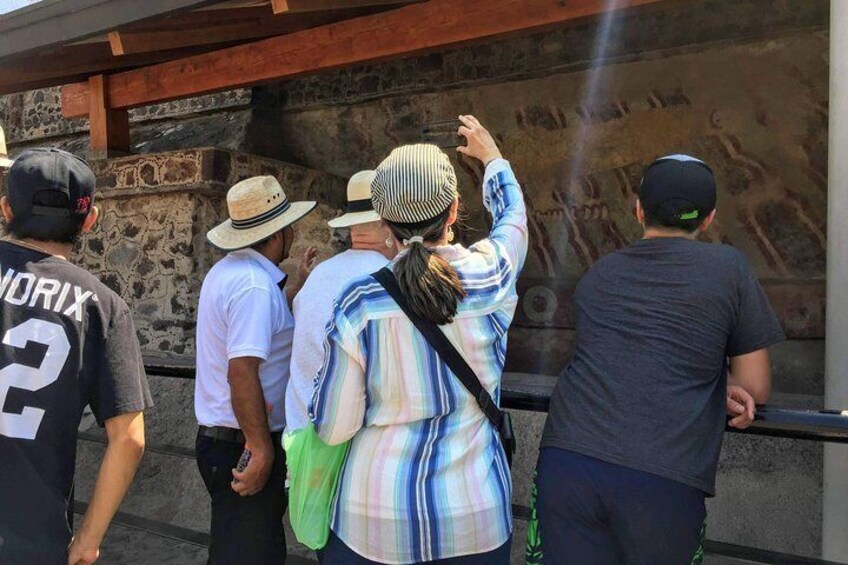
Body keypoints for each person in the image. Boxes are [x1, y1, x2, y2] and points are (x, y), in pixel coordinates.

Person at [532, 155, 785, 564]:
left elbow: (617, 357)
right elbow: (754, 388)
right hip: (661, 474)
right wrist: (716, 383)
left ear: (638, 210)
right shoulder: (729, 268)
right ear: (709, 219)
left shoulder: (600, 273)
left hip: (567, 461)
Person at [311, 115, 528, 564]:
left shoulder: (358, 303)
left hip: (373, 523)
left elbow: (333, 427)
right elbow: (513, 222)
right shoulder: (491, 278)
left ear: (383, 222)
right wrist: (493, 159)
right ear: (453, 211)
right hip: (474, 520)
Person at [0, 148, 152, 564]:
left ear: (6, 208)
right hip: (31, 537)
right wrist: (89, 538)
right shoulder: (102, 306)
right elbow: (129, 438)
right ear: (89, 220)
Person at [195, 175, 317, 564]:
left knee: (237, 549)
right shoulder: (255, 288)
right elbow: (242, 371)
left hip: (226, 440)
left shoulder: (233, 273)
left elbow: (263, 331)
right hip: (241, 442)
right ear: (281, 231)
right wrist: (261, 447)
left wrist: (296, 289)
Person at [285, 170, 395, 433]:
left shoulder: (319, 274)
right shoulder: (388, 279)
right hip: (352, 449)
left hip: (302, 445)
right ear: (388, 223)